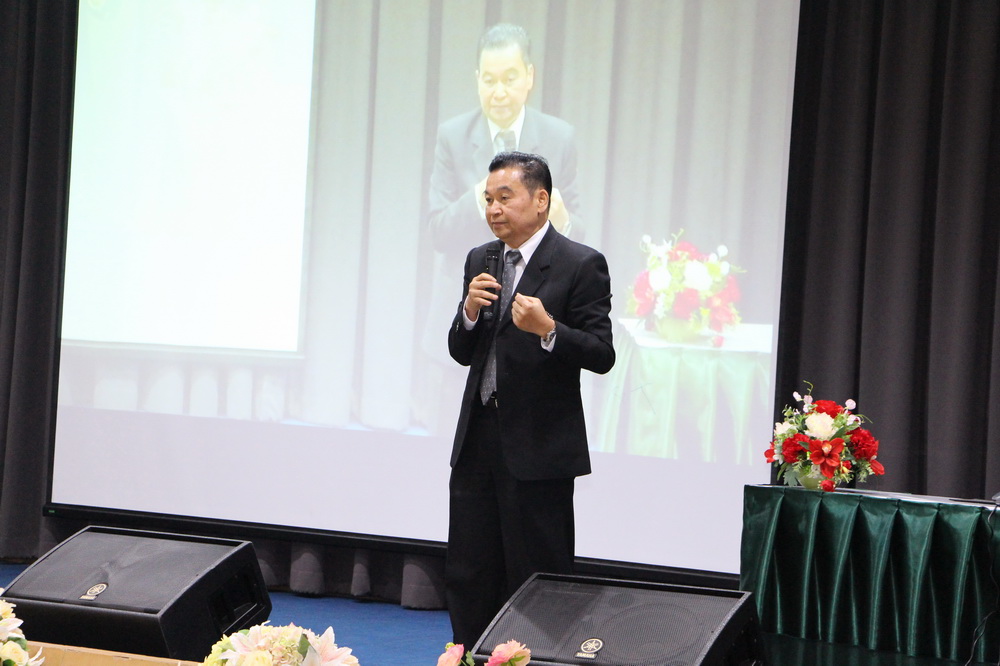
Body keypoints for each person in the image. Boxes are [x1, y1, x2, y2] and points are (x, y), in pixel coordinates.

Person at [445, 151, 614, 648]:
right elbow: (461, 351)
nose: (494, 209)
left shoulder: (580, 263)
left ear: (541, 200)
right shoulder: (480, 259)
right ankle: (470, 656)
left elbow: (602, 353)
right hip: (478, 440)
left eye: (505, 197)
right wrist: (468, 313)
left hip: (539, 448)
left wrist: (548, 329)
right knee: (469, 568)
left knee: (538, 574)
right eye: (487, 199)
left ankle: (538, 658)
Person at [422, 23, 581, 377]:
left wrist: (562, 220)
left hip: (534, 322)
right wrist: (479, 198)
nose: (499, 92)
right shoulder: (452, 137)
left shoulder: (559, 138)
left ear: (529, 76)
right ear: (477, 80)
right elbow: (438, 232)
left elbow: (579, 233)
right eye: (489, 80)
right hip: (468, 321)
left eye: (509, 79)